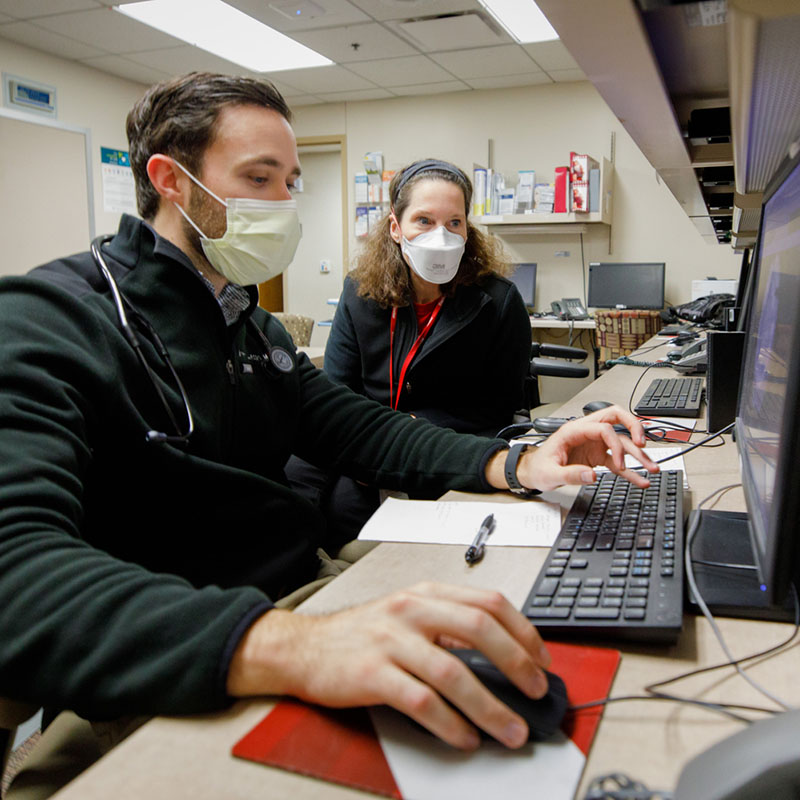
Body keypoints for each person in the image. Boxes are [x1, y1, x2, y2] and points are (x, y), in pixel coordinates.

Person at [0, 72, 657, 795]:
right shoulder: (49, 319)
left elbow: (361, 430)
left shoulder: (249, 328)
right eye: (259, 178)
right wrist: (294, 644)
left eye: (290, 182)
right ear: (171, 181)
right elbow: (16, 567)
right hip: (190, 647)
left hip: (305, 599)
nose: (284, 203)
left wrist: (518, 462)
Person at [325, 158, 532, 436]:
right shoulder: (359, 291)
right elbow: (337, 391)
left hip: (452, 450)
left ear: (466, 230)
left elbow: (501, 405)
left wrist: (411, 427)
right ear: (396, 228)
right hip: (368, 442)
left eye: (454, 222)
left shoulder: (498, 302)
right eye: (424, 220)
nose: (441, 237)